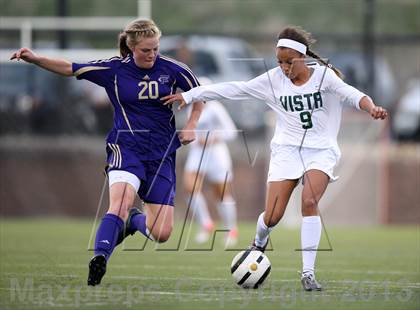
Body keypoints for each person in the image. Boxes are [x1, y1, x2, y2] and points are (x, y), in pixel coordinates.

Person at [163, 26, 388, 291]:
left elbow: (353, 95)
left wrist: (371, 107)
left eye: (289, 61)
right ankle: (259, 240)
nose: (283, 67)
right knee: (272, 216)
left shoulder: (325, 77)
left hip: (321, 151)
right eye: (279, 62)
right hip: (287, 151)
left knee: (309, 201)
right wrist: (189, 95)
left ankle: (308, 273)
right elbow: (233, 89)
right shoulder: (272, 80)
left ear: (303, 58)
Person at [11, 19, 204, 286]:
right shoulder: (114, 69)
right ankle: (100, 257)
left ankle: (135, 222)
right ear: (132, 47)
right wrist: (35, 59)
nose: (152, 55)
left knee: (162, 233)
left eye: (155, 49)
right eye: (145, 50)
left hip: (161, 154)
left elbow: (200, 94)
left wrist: (192, 124)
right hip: (126, 147)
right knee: (121, 202)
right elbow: (70, 68)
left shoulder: (172, 69)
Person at [184, 77, 239, 246]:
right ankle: (206, 224)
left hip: (216, 154)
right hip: (197, 153)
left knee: (221, 194)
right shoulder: (192, 109)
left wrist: (212, 138)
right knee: (189, 188)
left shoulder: (216, 108)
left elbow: (231, 132)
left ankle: (231, 230)